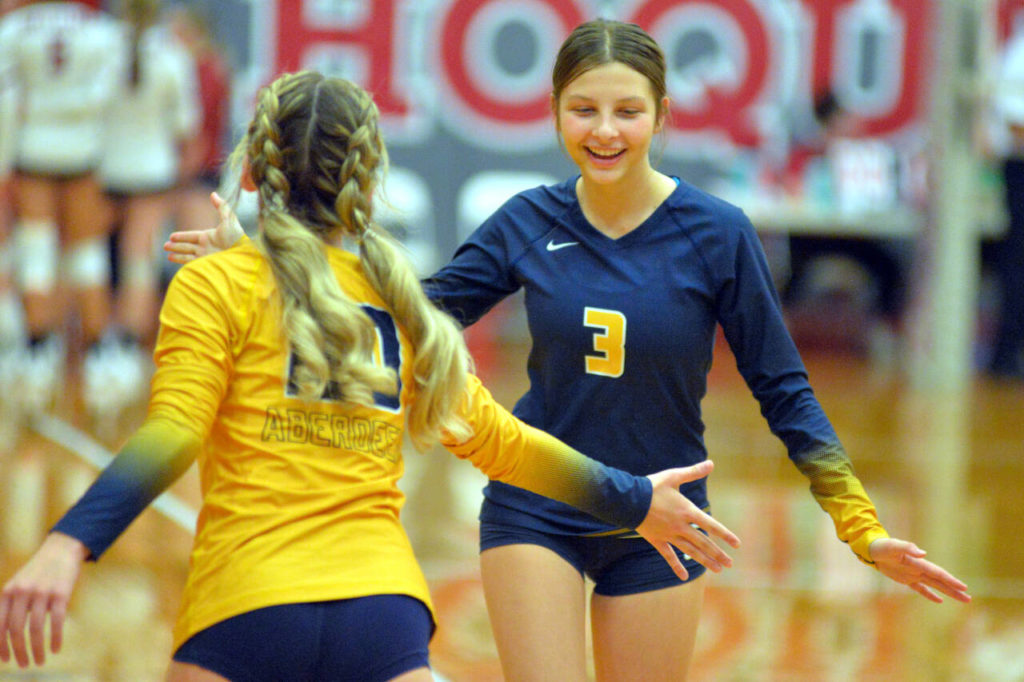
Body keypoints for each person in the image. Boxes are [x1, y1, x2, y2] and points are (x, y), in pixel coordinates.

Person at [164, 20, 971, 682]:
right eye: (584, 110)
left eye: (627, 110)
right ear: (556, 112)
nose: (606, 130)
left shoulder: (718, 234)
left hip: (665, 515)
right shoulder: (526, 220)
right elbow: (402, 320)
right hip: (537, 508)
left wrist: (860, 528)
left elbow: (785, 392)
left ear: (661, 115)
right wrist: (258, 271)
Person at [0, 70, 742, 682]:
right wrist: (634, 498)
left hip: (248, 608)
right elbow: (503, 444)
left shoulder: (216, 286)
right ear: (366, 177)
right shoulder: (401, 303)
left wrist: (68, 544)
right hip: (383, 619)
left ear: (254, 171)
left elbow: (173, 434)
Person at [0, 0, 124, 414]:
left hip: (33, 146)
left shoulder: (17, 25)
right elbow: (112, 99)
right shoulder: (100, 28)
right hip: (84, 149)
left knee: (36, 250)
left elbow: (6, 95)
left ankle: (37, 354)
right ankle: (99, 357)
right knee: (86, 253)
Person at [87, 0, 199, 419]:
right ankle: (126, 358)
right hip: (152, 170)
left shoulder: (97, 46)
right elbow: (187, 129)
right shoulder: (172, 55)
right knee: (138, 261)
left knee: (90, 258)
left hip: (101, 168)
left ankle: (96, 353)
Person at [984, 26, 1024, 380]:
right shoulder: (1019, 52)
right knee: (1018, 265)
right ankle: (1006, 355)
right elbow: (1015, 122)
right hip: (1020, 169)